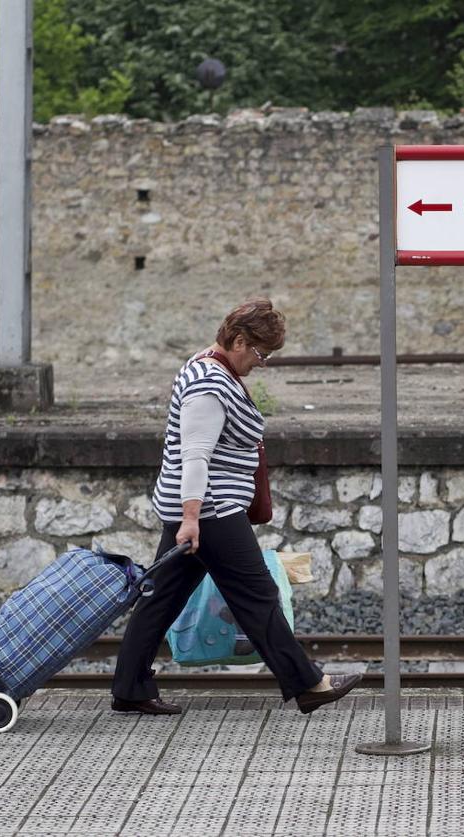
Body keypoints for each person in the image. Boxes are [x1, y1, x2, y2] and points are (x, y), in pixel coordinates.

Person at [111, 298, 360, 715]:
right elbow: (195, 456)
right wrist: (190, 519)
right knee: (257, 594)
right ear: (239, 340)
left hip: (198, 510)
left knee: (161, 599)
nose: (263, 363)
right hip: (210, 511)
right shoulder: (208, 387)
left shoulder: (208, 363)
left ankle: (130, 687)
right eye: (261, 353)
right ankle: (308, 683)